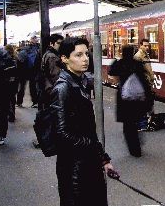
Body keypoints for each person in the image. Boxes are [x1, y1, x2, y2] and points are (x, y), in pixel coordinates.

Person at [52, 37, 117, 206]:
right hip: (74, 168)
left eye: (86, 54)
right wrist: (91, 147)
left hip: (88, 163)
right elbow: (61, 133)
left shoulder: (80, 82)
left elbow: (88, 129)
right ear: (65, 59)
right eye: (78, 55)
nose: (85, 59)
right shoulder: (62, 88)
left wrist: (104, 160)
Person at [109, 44, 151, 157]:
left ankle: (134, 149)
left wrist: (117, 59)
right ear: (133, 52)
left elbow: (111, 72)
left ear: (122, 52)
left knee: (128, 126)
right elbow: (144, 81)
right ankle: (136, 144)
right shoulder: (137, 63)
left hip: (125, 99)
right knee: (135, 122)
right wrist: (148, 102)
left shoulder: (120, 63)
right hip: (137, 100)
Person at [133, 38, 155, 130]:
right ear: (140, 45)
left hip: (147, 83)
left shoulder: (146, 55)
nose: (147, 47)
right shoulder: (138, 56)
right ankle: (141, 125)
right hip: (142, 84)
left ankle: (146, 123)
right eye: (145, 46)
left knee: (148, 104)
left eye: (148, 46)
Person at [39, 34, 64, 110]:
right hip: (51, 88)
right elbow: (55, 75)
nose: (60, 45)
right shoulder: (52, 56)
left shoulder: (47, 53)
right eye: (58, 43)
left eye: (61, 43)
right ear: (51, 43)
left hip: (47, 87)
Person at [17, 35, 41, 108]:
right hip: (31, 70)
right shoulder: (37, 48)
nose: (35, 40)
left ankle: (19, 102)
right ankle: (34, 102)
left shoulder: (26, 49)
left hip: (27, 70)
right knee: (31, 86)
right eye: (34, 38)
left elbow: (20, 60)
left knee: (24, 87)